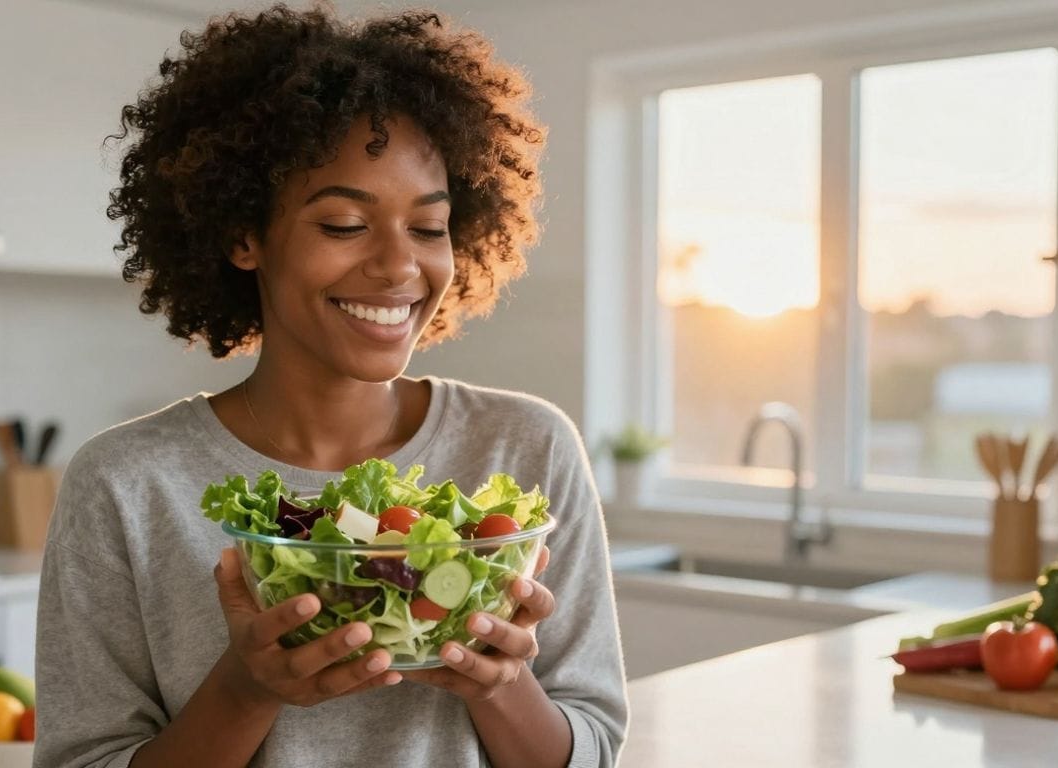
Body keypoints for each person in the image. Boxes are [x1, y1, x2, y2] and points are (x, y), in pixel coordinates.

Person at [33, 5, 627, 768]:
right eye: (345, 224)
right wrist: (248, 689)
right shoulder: (124, 485)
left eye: (428, 227)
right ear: (243, 236)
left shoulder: (525, 447)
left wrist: (498, 682)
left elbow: (594, 750)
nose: (398, 267)